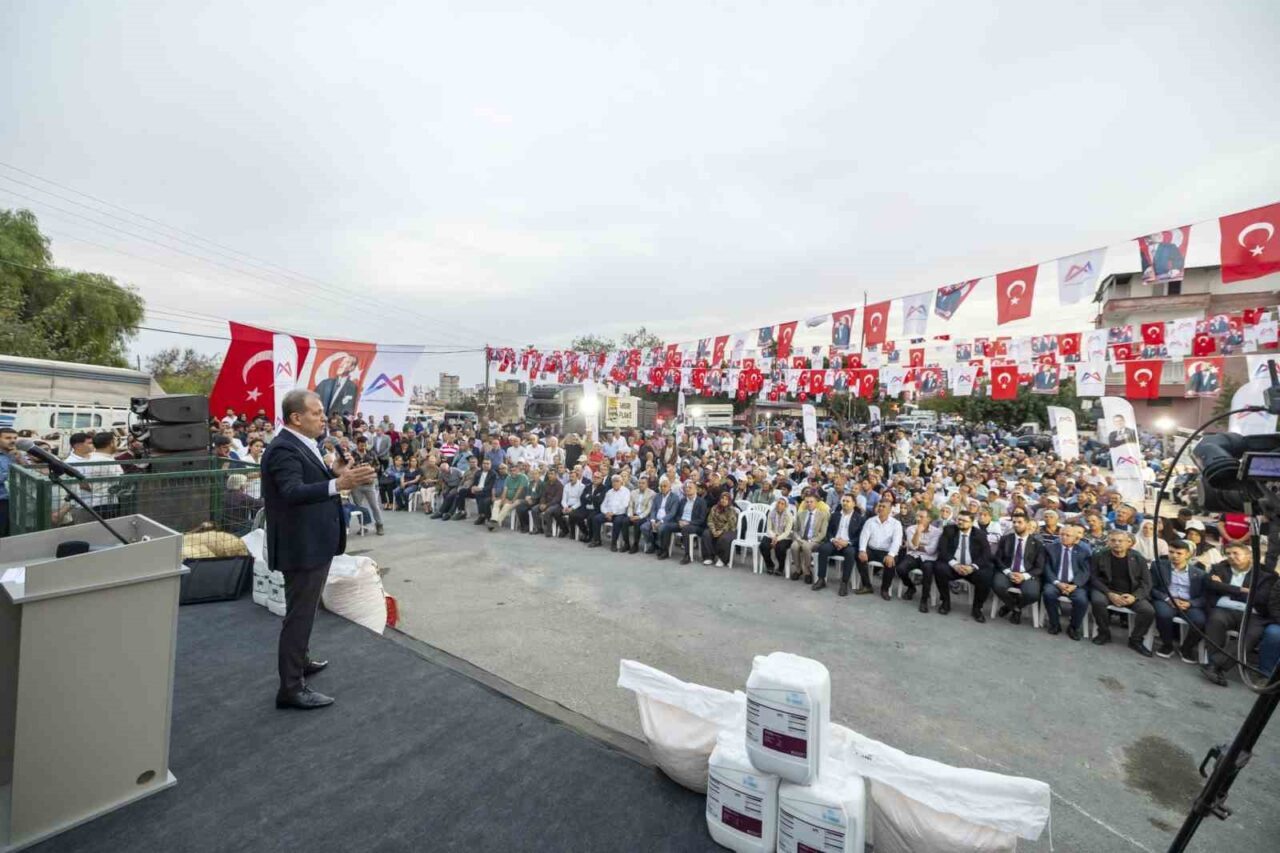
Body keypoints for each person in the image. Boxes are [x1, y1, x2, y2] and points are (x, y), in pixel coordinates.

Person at [262, 389, 376, 710]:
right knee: (299, 615)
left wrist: (336, 472)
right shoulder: (284, 448)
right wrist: (339, 484)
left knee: (305, 610)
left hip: (312, 542)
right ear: (296, 418)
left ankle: (302, 660)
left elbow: (311, 481)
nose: (323, 417)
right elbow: (292, 491)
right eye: (316, 412)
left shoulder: (302, 444)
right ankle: (291, 687)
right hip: (302, 546)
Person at [1201, 542, 1261, 686]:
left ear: (1248, 556)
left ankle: (1214, 665)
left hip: (1252, 613)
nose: (1231, 557)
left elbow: (1259, 595)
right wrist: (1241, 590)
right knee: (1216, 621)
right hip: (1224, 609)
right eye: (1228, 554)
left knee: (1252, 634)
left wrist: (1225, 588)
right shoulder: (1219, 568)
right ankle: (1214, 666)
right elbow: (1211, 585)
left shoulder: (1262, 573)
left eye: (1235, 553)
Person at [1089, 530, 1155, 656]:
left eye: (1120, 541)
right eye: (1113, 540)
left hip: (1131, 592)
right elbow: (1093, 578)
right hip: (1107, 590)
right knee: (1097, 601)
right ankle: (1104, 633)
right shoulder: (1100, 555)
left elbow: (1146, 582)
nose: (1117, 543)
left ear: (1128, 543)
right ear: (1108, 542)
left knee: (1148, 610)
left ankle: (1136, 640)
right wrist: (1109, 593)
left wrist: (1134, 597)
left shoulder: (1137, 558)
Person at [930, 509, 993, 621]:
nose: (960, 522)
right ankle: (945, 603)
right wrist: (954, 564)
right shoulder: (949, 530)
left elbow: (986, 554)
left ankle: (977, 609)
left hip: (971, 568)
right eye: (959, 519)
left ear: (971, 522)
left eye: (964, 520)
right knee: (939, 568)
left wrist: (972, 567)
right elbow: (942, 550)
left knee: (986, 575)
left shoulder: (979, 534)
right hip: (953, 566)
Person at [1151, 539, 1208, 661]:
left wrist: (1190, 603)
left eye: (1179, 553)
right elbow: (1151, 588)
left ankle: (1186, 648)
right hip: (1166, 600)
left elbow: (1204, 597)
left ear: (1188, 554)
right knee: (1163, 614)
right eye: (1171, 552)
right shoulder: (1158, 566)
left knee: (1200, 621)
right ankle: (1167, 645)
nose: (1174, 556)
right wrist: (1167, 599)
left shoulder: (1199, 573)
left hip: (1188, 603)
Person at [991, 510, 1043, 625]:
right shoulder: (1006, 539)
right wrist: (1008, 573)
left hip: (1027, 574)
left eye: (1019, 522)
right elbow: (998, 559)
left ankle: (1012, 607)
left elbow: (1039, 567)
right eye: (1014, 522)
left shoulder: (1037, 544)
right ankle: (1015, 608)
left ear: (1028, 524)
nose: (1016, 525)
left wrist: (1024, 576)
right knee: (997, 585)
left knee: (1032, 594)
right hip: (1007, 571)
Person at [1040, 522, 1091, 640]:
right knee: (1048, 593)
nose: (1064, 537)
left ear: (1075, 538)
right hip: (1055, 582)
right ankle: (1054, 624)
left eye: (1068, 535)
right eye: (1062, 534)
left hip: (1075, 585)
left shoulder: (1083, 551)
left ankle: (1074, 627)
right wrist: (1057, 583)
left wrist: (1075, 585)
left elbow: (1085, 571)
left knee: (1081, 600)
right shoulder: (1050, 548)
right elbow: (1047, 568)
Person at [815, 494, 866, 596]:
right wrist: (833, 540)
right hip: (835, 542)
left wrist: (847, 543)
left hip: (848, 544)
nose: (845, 503)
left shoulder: (859, 518)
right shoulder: (835, 515)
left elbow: (859, 536)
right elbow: (829, 531)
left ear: (854, 504)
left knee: (850, 552)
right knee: (823, 549)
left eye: (848, 501)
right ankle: (821, 579)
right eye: (843, 501)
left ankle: (844, 583)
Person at [858, 496, 902, 599]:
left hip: (886, 551)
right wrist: (862, 550)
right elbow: (864, 536)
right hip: (872, 549)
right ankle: (867, 585)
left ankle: (884, 589)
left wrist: (891, 555)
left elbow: (897, 541)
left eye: (884, 507)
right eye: (880, 506)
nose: (881, 508)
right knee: (859, 557)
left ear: (890, 510)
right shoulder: (870, 521)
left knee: (891, 563)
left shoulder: (896, 524)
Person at [895, 508, 940, 603]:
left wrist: (917, 546)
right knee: (900, 569)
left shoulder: (937, 532)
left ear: (929, 519)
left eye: (921, 517)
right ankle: (911, 587)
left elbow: (931, 550)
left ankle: (924, 599)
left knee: (928, 570)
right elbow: (913, 546)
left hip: (929, 559)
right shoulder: (911, 529)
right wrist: (918, 532)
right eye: (917, 516)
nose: (918, 519)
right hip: (913, 556)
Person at [790, 492, 829, 585]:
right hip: (801, 539)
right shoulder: (801, 514)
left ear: (816, 503)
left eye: (811, 502)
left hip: (815, 540)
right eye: (807, 502)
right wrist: (798, 538)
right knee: (794, 546)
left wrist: (811, 540)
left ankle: (807, 571)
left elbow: (823, 533)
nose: (809, 504)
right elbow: (795, 529)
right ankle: (798, 569)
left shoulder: (823, 515)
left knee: (806, 547)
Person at [667, 480, 707, 565]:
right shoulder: (683, 500)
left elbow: (701, 519)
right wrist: (679, 521)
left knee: (686, 529)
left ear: (696, 490)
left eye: (690, 488)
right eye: (686, 488)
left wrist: (688, 523)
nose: (687, 489)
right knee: (667, 526)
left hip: (695, 525)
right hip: (682, 523)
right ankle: (664, 550)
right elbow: (677, 515)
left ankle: (687, 555)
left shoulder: (701, 502)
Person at [591, 474, 632, 550]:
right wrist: (606, 512)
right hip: (608, 513)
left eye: (617, 481)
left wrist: (613, 513)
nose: (615, 483)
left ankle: (613, 543)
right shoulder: (609, 492)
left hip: (620, 514)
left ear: (621, 482)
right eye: (613, 482)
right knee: (596, 518)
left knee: (617, 521)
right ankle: (597, 540)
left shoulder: (626, 491)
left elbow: (625, 505)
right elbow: (603, 505)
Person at [700, 491, 738, 567]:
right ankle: (709, 557)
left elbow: (731, 524)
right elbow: (710, 520)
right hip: (715, 528)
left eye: (726, 499)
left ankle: (723, 559)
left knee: (724, 538)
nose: (723, 500)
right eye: (722, 498)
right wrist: (713, 530)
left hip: (729, 530)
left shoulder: (732, 510)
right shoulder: (714, 508)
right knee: (706, 534)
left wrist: (721, 531)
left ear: (729, 501)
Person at [645, 478, 682, 558]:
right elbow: (653, 509)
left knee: (662, 528)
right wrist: (653, 520)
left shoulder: (674, 497)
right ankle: (654, 545)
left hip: (667, 520)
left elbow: (672, 513)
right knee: (644, 527)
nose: (663, 488)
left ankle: (663, 549)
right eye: (661, 486)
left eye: (665, 486)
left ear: (670, 487)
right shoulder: (657, 496)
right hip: (656, 519)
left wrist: (661, 521)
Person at [760, 496, 795, 576]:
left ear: (785, 506)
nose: (779, 505)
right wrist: (773, 537)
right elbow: (768, 528)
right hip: (772, 535)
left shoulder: (789, 515)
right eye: (778, 503)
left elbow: (787, 532)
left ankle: (781, 567)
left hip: (785, 537)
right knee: (763, 545)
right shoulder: (771, 513)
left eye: (782, 504)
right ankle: (770, 565)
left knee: (780, 548)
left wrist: (777, 539)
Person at [545, 467, 584, 538]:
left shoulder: (582, 486)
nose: (571, 478)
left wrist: (572, 508)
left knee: (572, 514)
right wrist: (565, 507)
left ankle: (573, 533)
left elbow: (580, 501)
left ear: (577, 477)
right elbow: (564, 499)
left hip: (576, 506)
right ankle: (565, 529)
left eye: (573, 477)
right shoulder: (566, 486)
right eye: (570, 477)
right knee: (556, 512)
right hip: (566, 506)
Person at [489, 461, 528, 531]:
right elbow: (505, 490)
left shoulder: (523, 477)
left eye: (515, 470)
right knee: (497, 502)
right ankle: (494, 520)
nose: (513, 472)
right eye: (511, 471)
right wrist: (503, 499)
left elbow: (519, 491)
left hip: (518, 499)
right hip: (507, 498)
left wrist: (512, 501)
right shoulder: (508, 478)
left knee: (507, 506)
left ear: (519, 470)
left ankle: (496, 522)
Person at [623, 476, 655, 554]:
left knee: (637, 523)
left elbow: (649, 509)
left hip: (644, 516)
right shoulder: (633, 492)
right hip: (633, 514)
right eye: (639, 483)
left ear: (647, 484)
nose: (641, 485)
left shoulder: (652, 494)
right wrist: (630, 515)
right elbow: (630, 505)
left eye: (643, 483)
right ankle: (626, 543)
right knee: (624, 521)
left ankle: (635, 545)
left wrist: (639, 516)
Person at [467, 458, 498, 526]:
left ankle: (483, 516)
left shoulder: (493, 474)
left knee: (481, 497)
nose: (486, 465)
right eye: (484, 463)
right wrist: (472, 487)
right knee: (462, 491)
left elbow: (491, 486)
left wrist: (480, 489)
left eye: (487, 464)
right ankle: (462, 511)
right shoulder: (478, 472)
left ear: (490, 465)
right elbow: (474, 482)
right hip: (478, 490)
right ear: (481, 464)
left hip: (488, 492)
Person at [0, 426, 15, 536]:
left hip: (16, 501)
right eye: (8, 438)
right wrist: (16, 473)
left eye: (15, 438)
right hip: (2, 501)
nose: (13, 440)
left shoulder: (17, 454)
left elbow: (30, 471)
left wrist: (20, 459)